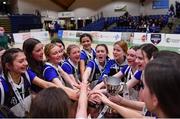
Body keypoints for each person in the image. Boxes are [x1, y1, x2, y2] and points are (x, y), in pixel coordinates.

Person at [92, 50, 180, 118]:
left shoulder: (145, 73)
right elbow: (141, 117)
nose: (136, 60)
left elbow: (124, 87)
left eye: (144, 87)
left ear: (155, 98)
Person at [0, 48, 35, 117]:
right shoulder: (1, 86)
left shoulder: (27, 75)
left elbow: (45, 85)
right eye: (21, 61)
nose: (26, 63)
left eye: (26, 59)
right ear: (8, 66)